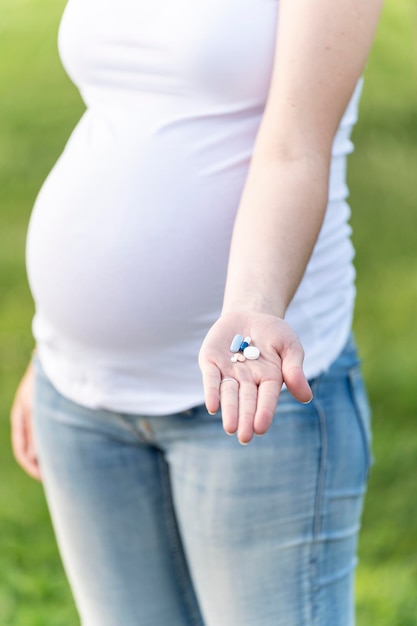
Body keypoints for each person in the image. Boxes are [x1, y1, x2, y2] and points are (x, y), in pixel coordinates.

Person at [11, 0, 382, 624]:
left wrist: (252, 308)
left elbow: (296, 149)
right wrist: (55, 343)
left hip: (249, 397)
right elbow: (124, 116)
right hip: (78, 394)